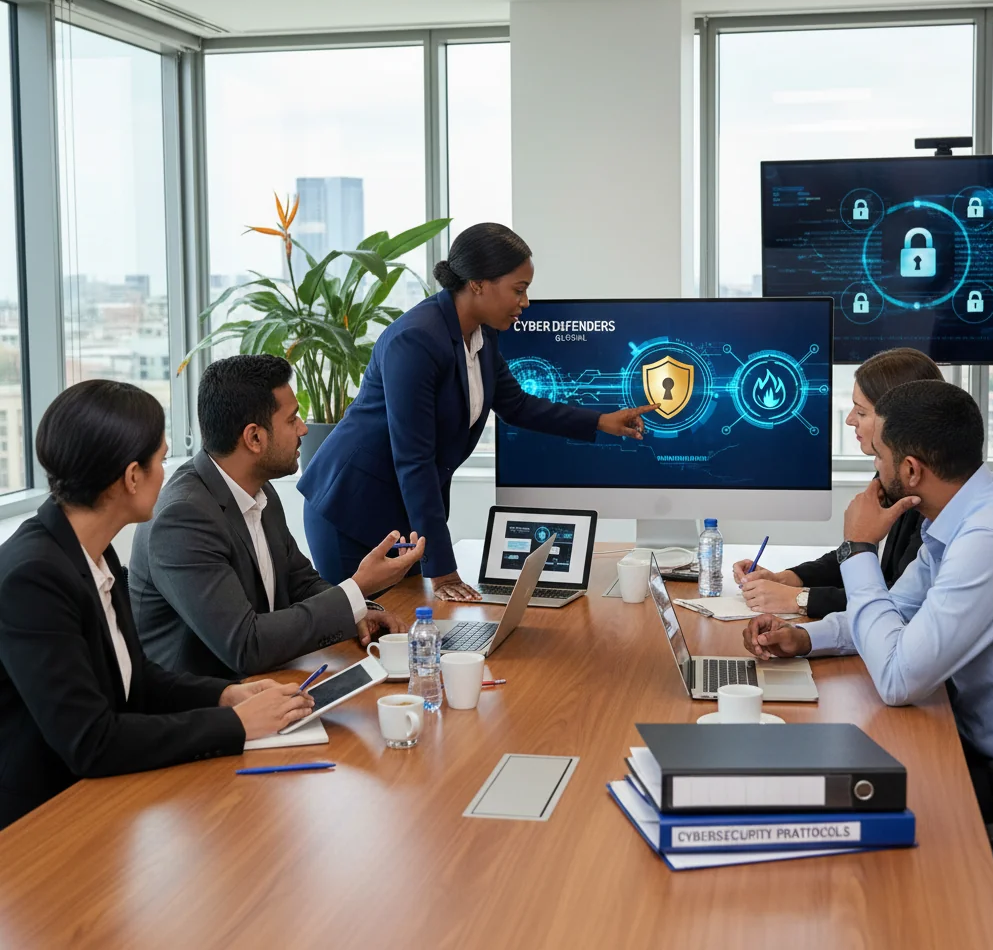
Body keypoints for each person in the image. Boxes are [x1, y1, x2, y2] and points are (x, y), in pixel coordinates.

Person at [0, 380, 313, 830]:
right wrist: (237, 726)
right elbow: (93, 740)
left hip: (102, 801)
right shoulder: (33, 578)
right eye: (161, 459)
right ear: (131, 477)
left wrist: (226, 696)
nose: (169, 472)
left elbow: (137, 678)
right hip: (41, 824)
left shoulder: (94, 551)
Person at [298, 222, 656, 600]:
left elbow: (516, 405)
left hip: (400, 517)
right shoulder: (416, 340)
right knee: (361, 629)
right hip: (350, 511)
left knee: (406, 630)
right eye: (519, 290)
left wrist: (601, 421)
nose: (526, 302)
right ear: (478, 283)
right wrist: (443, 571)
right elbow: (414, 460)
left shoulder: (483, 336)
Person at [742, 380, 993, 774]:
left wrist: (858, 547)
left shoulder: (989, 538)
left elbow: (897, 679)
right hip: (965, 735)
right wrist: (806, 638)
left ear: (910, 470)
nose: (875, 467)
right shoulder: (962, 514)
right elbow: (897, 610)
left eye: (879, 457)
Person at [131, 355, 418, 680]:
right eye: (292, 419)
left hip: (268, 685)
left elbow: (301, 583)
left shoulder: (259, 491)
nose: (303, 429)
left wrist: (362, 611)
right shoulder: (183, 519)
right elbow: (245, 645)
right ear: (254, 438)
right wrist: (359, 586)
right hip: (204, 709)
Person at [732, 347, 942, 618]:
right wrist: (787, 579)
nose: (849, 420)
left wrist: (800, 599)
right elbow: (857, 561)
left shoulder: (931, 492)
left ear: (898, 421)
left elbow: (899, 599)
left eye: (862, 413)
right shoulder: (889, 471)